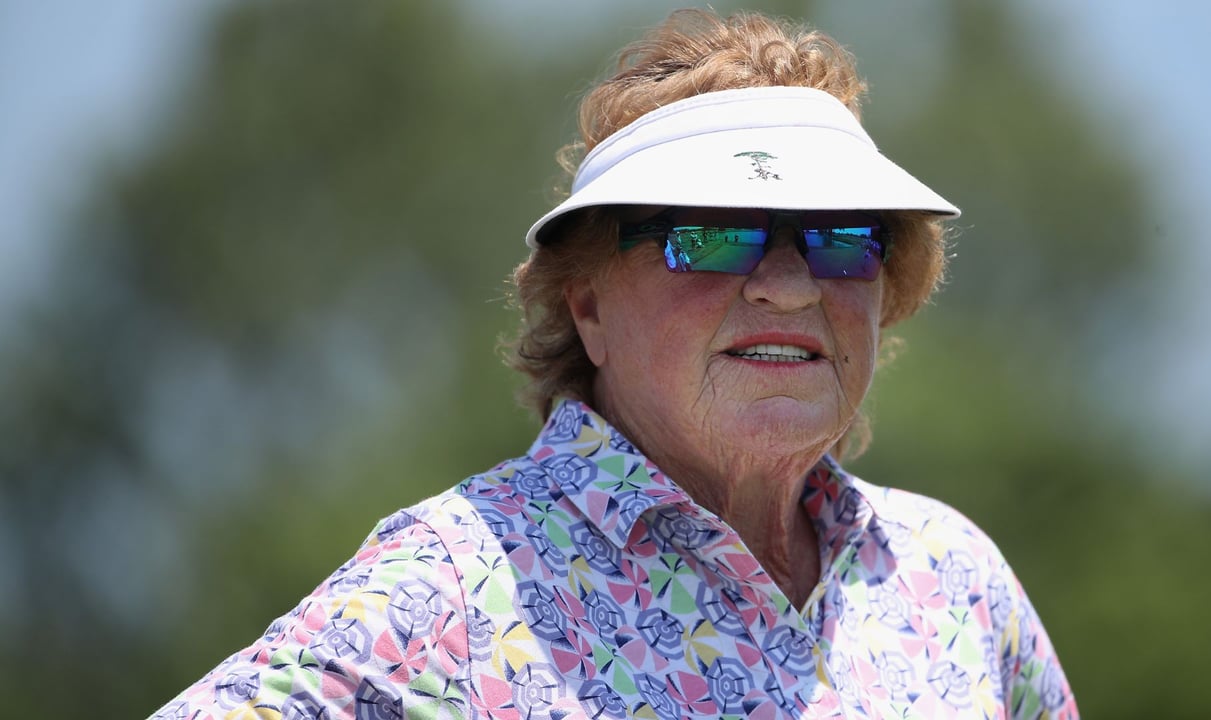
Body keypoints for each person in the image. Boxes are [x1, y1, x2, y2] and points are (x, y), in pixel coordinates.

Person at [153, 8, 1076, 719]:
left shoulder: (951, 579)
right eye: (712, 235)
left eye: (842, 239)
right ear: (587, 303)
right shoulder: (452, 590)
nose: (791, 285)